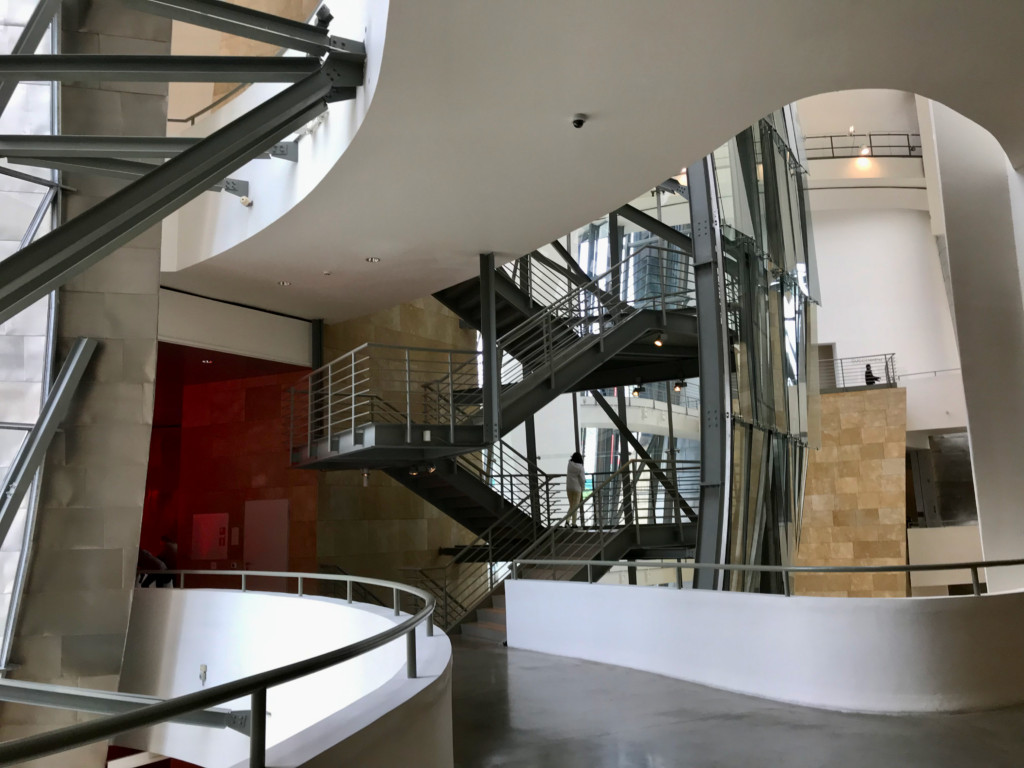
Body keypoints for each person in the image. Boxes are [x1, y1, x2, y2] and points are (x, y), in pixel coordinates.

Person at [566, 452, 586, 526]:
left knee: (572, 505)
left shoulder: (569, 464)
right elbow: (582, 480)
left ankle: (567, 522)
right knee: (575, 506)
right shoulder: (580, 467)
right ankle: (573, 523)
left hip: (569, 488)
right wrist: (582, 488)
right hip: (577, 489)